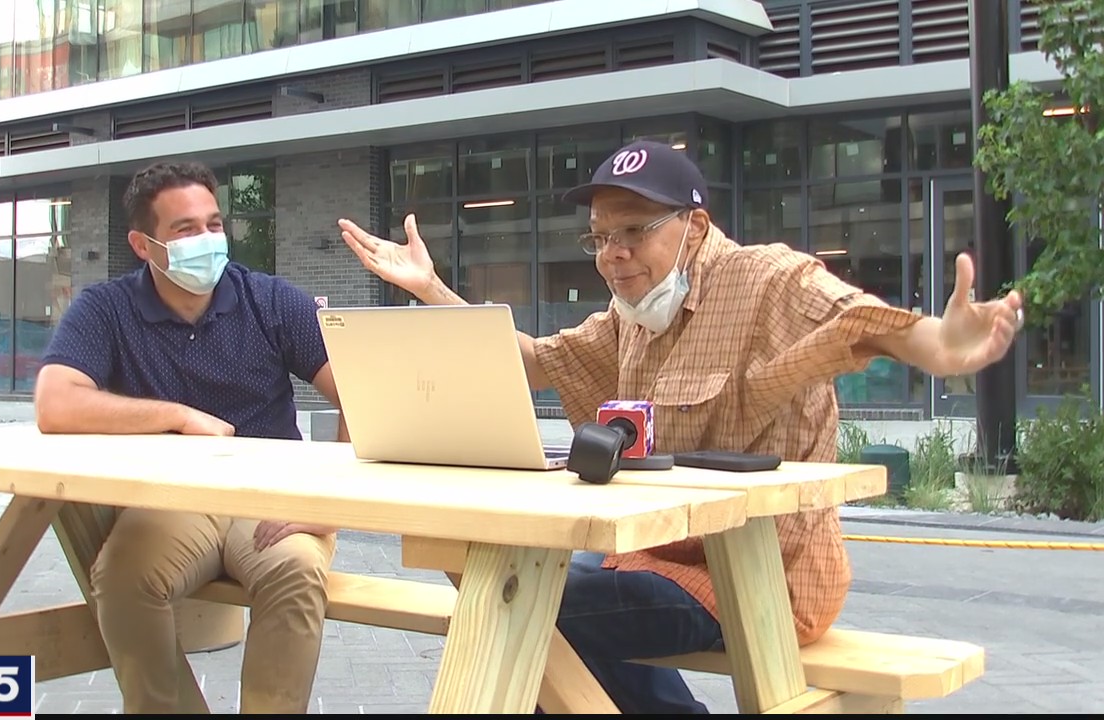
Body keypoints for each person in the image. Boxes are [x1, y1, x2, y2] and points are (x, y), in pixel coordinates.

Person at [336, 140, 1022, 714]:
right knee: (506, 582)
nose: (614, 254)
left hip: (764, 577)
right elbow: (535, 363)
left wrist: (941, 344)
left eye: (635, 231)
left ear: (692, 229)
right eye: (602, 237)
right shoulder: (632, 320)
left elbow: (861, 323)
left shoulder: (767, 281)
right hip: (650, 555)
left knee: (526, 610)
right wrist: (430, 290)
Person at [34, 161, 346, 714]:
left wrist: (332, 502)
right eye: (184, 230)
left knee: (297, 571)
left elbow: (363, 393)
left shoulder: (271, 301)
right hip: (174, 499)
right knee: (123, 577)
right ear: (143, 244)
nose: (205, 240)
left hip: (271, 495)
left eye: (213, 224)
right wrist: (177, 415)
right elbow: (55, 401)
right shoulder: (106, 310)